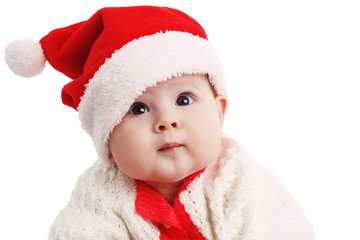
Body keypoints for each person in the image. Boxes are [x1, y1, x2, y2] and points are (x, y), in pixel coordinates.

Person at [5, 6, 315, 240]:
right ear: (108, 141)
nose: (166, 121)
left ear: (219, 112)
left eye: (184, 100)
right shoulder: (98, 200)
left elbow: (281, 228)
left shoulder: (241, 180)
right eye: (138, 109)